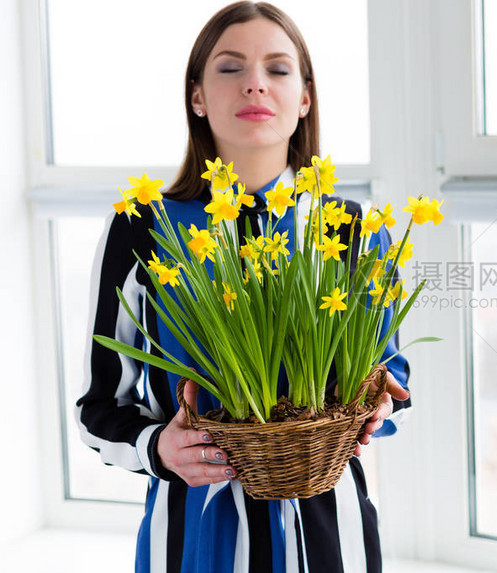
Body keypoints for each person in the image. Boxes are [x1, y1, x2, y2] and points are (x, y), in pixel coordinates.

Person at [75, 3, 411, 572]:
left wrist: (380, 400)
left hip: (332, 534)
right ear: (197, 97)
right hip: (191, 536)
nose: (255, 82)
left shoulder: (354, 229)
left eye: (278, 69)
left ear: (305, 98)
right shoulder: (143, 227)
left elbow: (392, 373)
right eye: (230, 68)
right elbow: (98, 409)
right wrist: (158, 447)